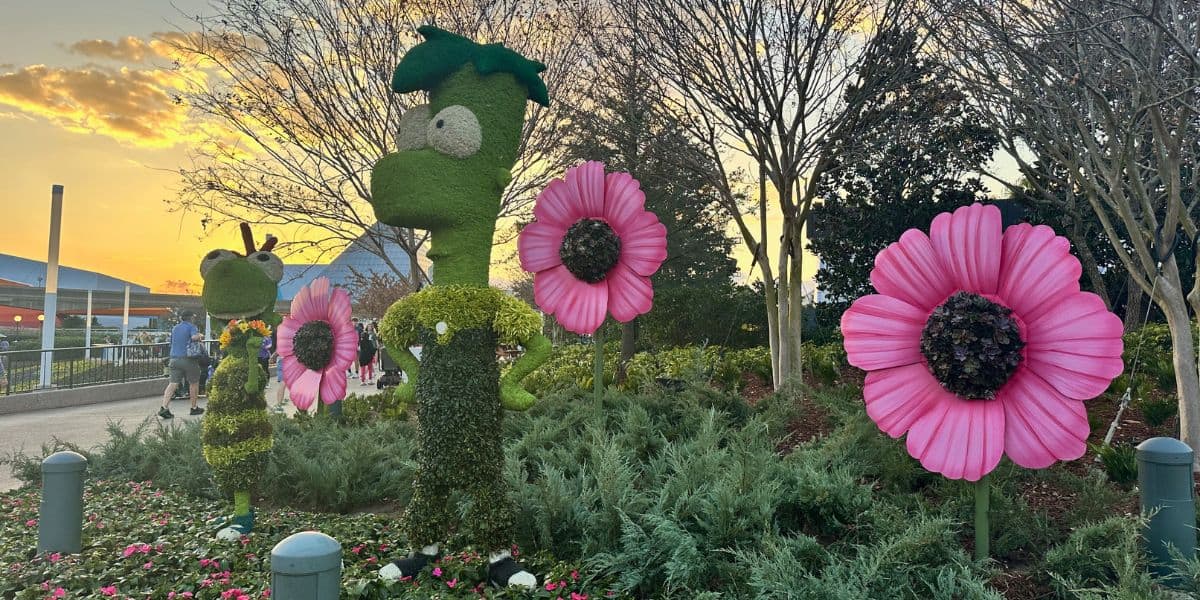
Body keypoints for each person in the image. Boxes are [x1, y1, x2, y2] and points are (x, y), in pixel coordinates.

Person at [161, 311, 205, 418]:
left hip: (174, 359)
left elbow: (172, 341)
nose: (194, 319)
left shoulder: (175, 328)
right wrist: (200, 335)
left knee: (173, 384)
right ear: (190, 318)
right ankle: (194, 408)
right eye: (193, 317)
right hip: (188, 359)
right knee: (193, 383)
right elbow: (194, 337)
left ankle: (164, 407)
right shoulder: (191, 326)